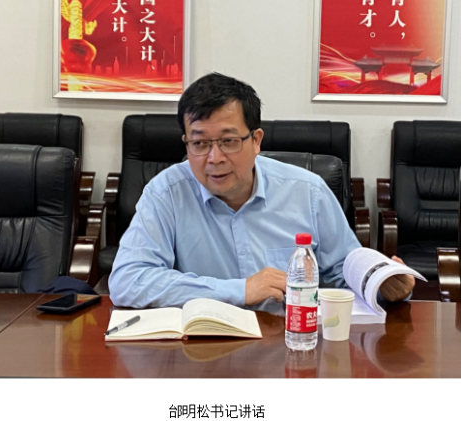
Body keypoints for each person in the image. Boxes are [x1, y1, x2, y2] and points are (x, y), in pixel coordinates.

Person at [109, 73, 414, 309]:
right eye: (199, 143)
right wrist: (240, 290)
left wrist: (382, 284)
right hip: (201, 350)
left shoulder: (309, 193)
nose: (214, 158)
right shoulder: (166, 192)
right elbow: (128, 280)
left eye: (228, 141)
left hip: (289, 347)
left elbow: (343, 274)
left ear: (256, 140)